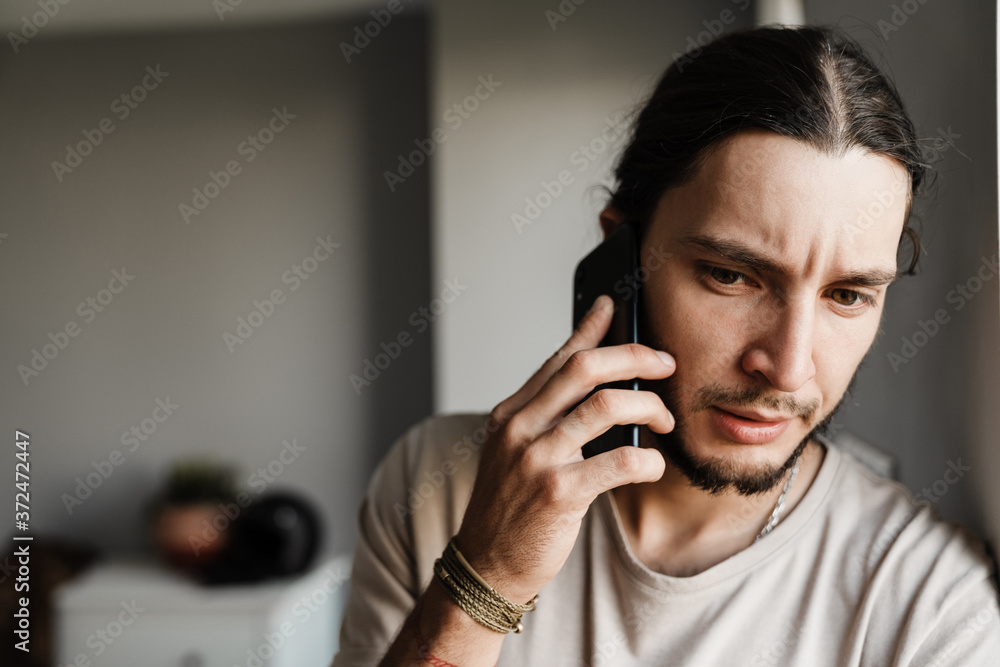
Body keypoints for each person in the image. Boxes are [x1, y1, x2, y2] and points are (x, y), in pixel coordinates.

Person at [332, 24, 1000, 666]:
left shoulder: (932, 604)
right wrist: (485, 579)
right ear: (620, 257)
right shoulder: (432, 485)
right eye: (731, 275)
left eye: (847, 295)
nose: (788, 367)